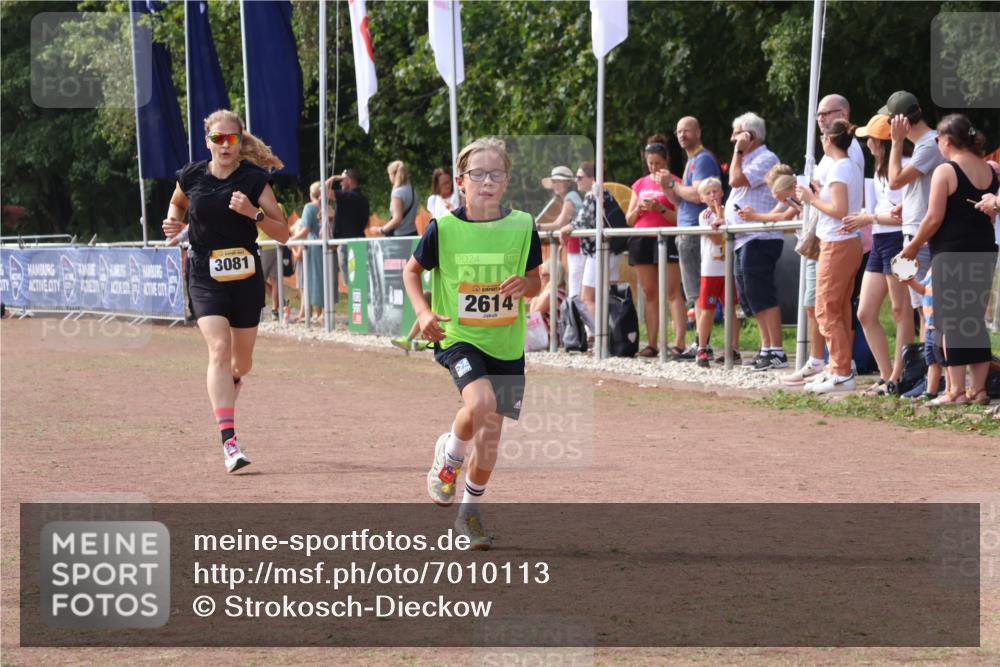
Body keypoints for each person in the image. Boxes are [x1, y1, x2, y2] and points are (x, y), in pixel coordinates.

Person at [403, 137, 542, 549]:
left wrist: (526, 285)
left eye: (495, 174)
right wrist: (424, 313)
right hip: (459, 336)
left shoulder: (522, 225)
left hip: (507, 342)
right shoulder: (443, 227)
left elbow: (536, 281)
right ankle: (450, 459)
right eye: (477, 174)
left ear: (506, 180)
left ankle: (468, 510)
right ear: (461, 182)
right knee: (481, 404)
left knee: (490, 432)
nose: (486, 182)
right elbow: (412, 272)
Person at [161, 109, 289, 473]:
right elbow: (177, 202)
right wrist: (175, 221)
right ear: (208, 141)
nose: (225, 145)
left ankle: (232, 382)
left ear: (240, 140)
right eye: (218, 139)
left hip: (245, 277)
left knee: (241, 362)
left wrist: (254, 214)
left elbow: (283, 233)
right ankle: (229, 442)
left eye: (231, 138)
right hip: (204, 272)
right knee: (218, 347)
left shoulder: (253, 180)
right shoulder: (192, 175)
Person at [900, 114, 999, 406]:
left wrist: (913, 246)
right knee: (973, 320)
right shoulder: (989, 170)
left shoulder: (946, 170)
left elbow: (933, 217)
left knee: (951, 322)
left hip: (952, 252)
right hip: (983, 250)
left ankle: (954, 390)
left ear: (946, 140)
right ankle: (978, 389)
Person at [844, 113, 914, 395]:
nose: (867, 143)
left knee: (901, 310)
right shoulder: (881, 169)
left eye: (870, 139)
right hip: (881, 240)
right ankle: (888, 376)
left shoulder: (904, 166)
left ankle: (899, 375)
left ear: (882, 142)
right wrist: (871, 217)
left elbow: (902, 216)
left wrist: (869, 217)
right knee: (865, 312)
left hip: (898, 240)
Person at [796, 119, 865, 394]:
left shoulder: (839, 168)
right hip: (846, 242)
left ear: (827, 140)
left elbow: (839, 209)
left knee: (826, 308)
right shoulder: (849, 166)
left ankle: (841, 370)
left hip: (837, 243)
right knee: (839, 307)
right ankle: (839, 367)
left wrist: (811, 199)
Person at [724, 112, 786, 371]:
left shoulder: (766, 158)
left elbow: (735, 180)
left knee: (762, 294)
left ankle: (777, 351)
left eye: (737, 133)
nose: (732, 139)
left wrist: (738, 151)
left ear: (750, 135)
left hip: (760, 237)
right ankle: (766, 348)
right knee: (751, 297)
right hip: (744, 239)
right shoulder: (749, 158)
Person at [660, 116, 722, 360]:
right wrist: (668, 186)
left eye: (686, 130)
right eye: (678, 131)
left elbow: (697, 195)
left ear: (698, 132)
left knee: (697, 291)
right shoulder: (691, 161)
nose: (682, 135)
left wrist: (673, 185)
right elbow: (679, 200)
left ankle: (700, 344)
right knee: (695, 291)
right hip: (687, 230)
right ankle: (700, 342)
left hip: (695, 232)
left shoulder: (703, 159)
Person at [887, 91, 944, 335]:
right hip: (919, 229)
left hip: (921, 234)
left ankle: (934, 371)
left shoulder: (929, 144)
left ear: (898, 122)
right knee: (925, 309)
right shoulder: (930, 144)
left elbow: (894, 181)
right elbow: (925, 185)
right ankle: (932, 371)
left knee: (927, 310)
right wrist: (907, 204)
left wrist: (896, 142)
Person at [625, 134, 684, 358]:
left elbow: (681, 218)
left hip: (667, 236)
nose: (654, 167)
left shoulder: (675, 181)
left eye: (658, 163)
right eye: (650, 163)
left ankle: (678, 342)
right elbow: (629, 220)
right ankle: (651, 343)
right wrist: (640, 208)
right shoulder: (640, 184)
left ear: (665, 161)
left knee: (671, 291)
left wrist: (660, 208)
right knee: (649, 293)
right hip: (642, 238)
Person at [559, 161, 620, 325]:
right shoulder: (605, 194)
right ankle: (613, 337)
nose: (576, 181)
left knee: (587, 298)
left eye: (579, 177)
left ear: (592, 178)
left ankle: (602, 338)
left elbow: (582, 221)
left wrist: (567, 227)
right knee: (609, 297)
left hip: (598, 252)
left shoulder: (593, 194)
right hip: (613, 250)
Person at [697, 178, 741, 367]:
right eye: (708, 193)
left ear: (722, 192)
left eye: (716, 191)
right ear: (702, 198)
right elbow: (716, 239)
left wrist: (723, 215)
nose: (713, 195)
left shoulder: (729, 211)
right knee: (707, 309)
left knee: (730, 309)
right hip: (711, 270)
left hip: (728, 269)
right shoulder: (705, 215)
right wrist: (719, 217)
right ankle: (702, 347)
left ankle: (733, 348)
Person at [538, 166, 585, 302]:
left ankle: (577, 320)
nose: (556, 185)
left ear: (568, 183)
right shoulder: (569, 198)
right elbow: (559, 223)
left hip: (579, 246)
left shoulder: (571, 197)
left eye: (559, 181)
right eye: (554, 181)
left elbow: (560, 224)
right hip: (575, 245)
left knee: (576, 287)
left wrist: (537, 226)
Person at [328, 168, 371, 303]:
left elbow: (323, 192)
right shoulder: (363, 198)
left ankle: (356, 312)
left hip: (347, 244)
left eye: (342, 180)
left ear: (349, 180)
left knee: (351, 281)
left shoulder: (349, 197)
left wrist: (333, 178)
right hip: (359, 240)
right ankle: (359, 311)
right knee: (359, 279)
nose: (340, 183)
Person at [902, 268, 943, 400]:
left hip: (940, 326)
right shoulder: (931, 269)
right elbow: (923, 289)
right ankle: (930, 392)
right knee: (931, 361)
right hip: (929, 325)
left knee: (944, 360)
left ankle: (950, 389)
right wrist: (910, 282)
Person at [296, 181, 333, 323]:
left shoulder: (309, 207)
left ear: (312, 194)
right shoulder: (328, 206)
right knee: (325, 277)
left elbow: (306, 229)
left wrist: (290, 239)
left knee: (313, 278)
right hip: (327, 245)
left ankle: (318, 313)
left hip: (313, 245)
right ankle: (323, 312)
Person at [376, 160, 418, 237]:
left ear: (394, 174)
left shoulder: (398, 193)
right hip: (413, 233)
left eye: (389, 174)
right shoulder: (412, 190)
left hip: (399, 236)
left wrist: (381, 229)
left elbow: (397, 219)